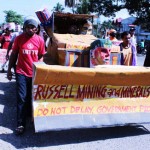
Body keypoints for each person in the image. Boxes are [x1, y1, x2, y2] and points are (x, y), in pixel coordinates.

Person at [7, 18, 45, 135]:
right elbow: (14, 55)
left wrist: (39, 66)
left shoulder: (40, 40)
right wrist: (9, 70)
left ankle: (29, 116)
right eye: (28, 27)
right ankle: (20, 123)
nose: (30, 29)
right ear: (24, 28)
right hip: (21, 72)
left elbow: (42, 56)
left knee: (30, 96)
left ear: (36, 29)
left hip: (33, 73)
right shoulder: (19, 39)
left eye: (33, 27)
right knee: (22, 97)